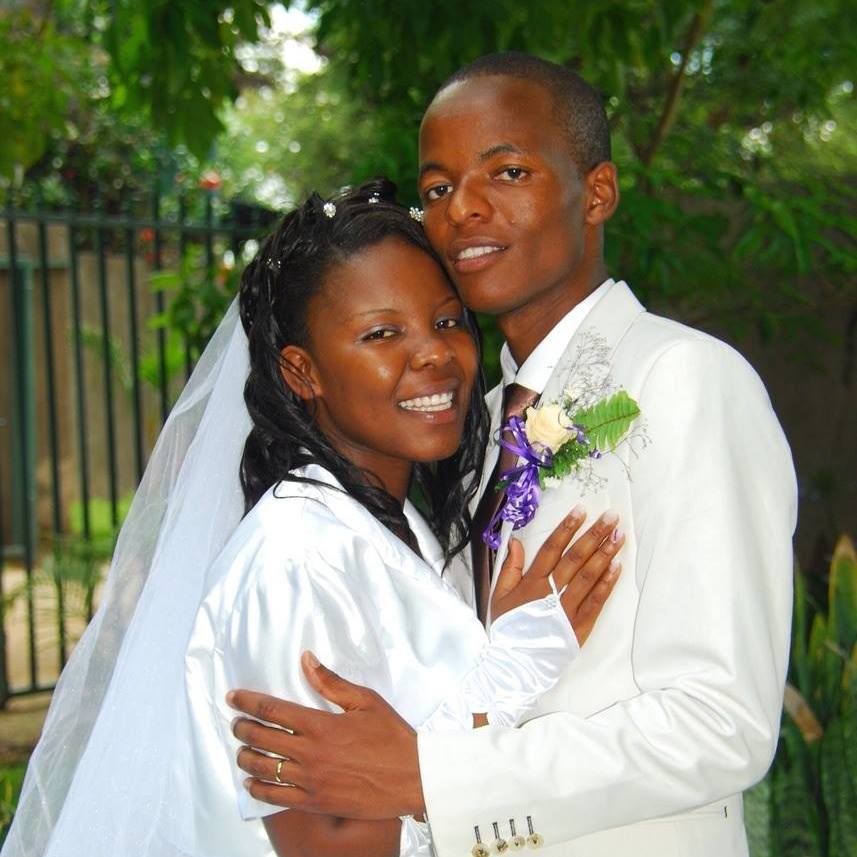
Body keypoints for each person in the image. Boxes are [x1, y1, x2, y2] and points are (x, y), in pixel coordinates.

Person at [228, 53, 798, 857]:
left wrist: (430, 774)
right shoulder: (477, 423)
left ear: (594, 192)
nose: (463, 206)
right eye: (436, 188)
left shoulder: (685, 380)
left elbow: (719, 724)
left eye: (508, 171)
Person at [1, 180, 623, 857]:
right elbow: (334, 846)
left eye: (445, 321)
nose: (433, 353)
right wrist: (514, 667)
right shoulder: (296, 558)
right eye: (382, 333)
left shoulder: (389, 523)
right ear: (303, 371)